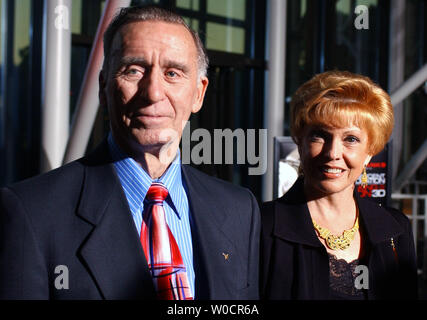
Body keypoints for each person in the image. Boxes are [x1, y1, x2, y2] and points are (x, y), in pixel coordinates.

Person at [0, 6, 260, 300]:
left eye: (172, 73)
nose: (153, 92)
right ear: (103, 87)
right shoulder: (31, 214)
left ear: (198, 93)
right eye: (133, 70)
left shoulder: (240, 211)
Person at [260, 71, 417, 300]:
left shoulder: (396, 229)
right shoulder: (262, 226)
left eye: (350, 139)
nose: (333, 153)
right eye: (320, 136)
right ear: (299, 141)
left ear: (369, 152)